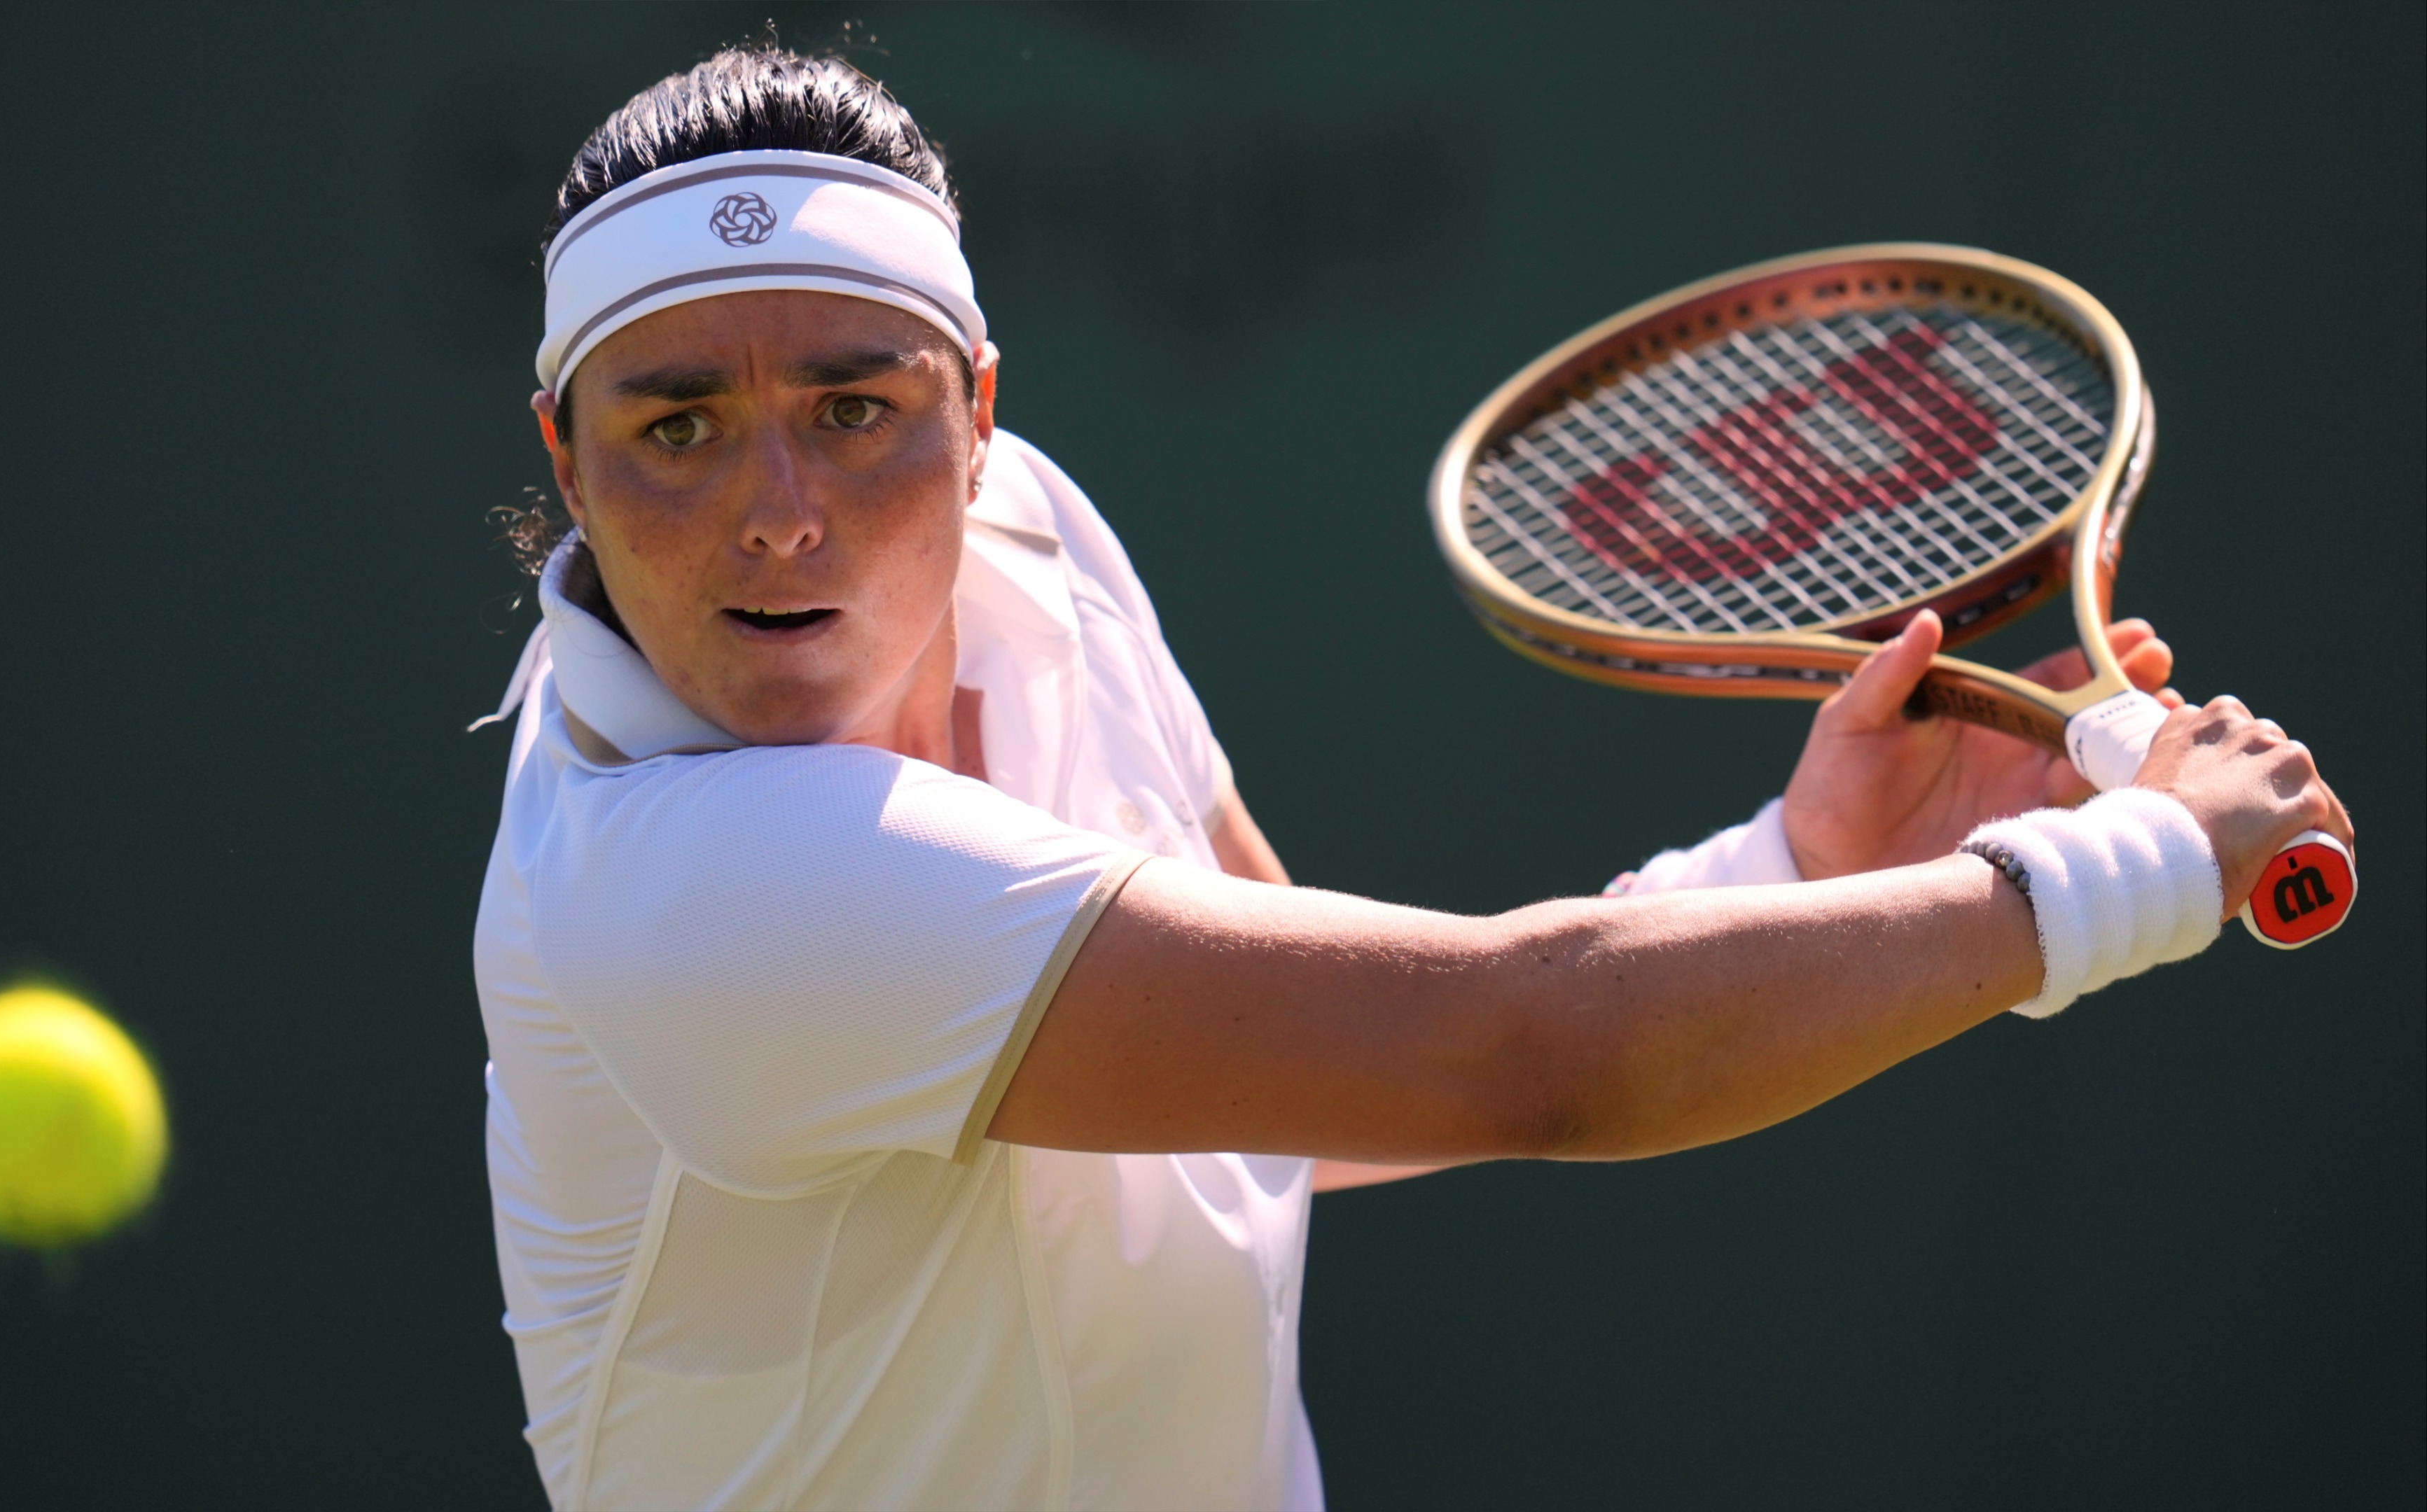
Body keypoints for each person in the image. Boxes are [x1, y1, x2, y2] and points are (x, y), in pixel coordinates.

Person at [471, 47, 2351, 1512]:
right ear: (569, 457)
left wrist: (1793, 858)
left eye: (854, 409)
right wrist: (2141, 875)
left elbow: (1281, 1072)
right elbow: (1520, 1053)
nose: (778, 513)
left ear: (977, 418)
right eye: (678, 428)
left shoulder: (1030, 538)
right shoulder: (694, 890)